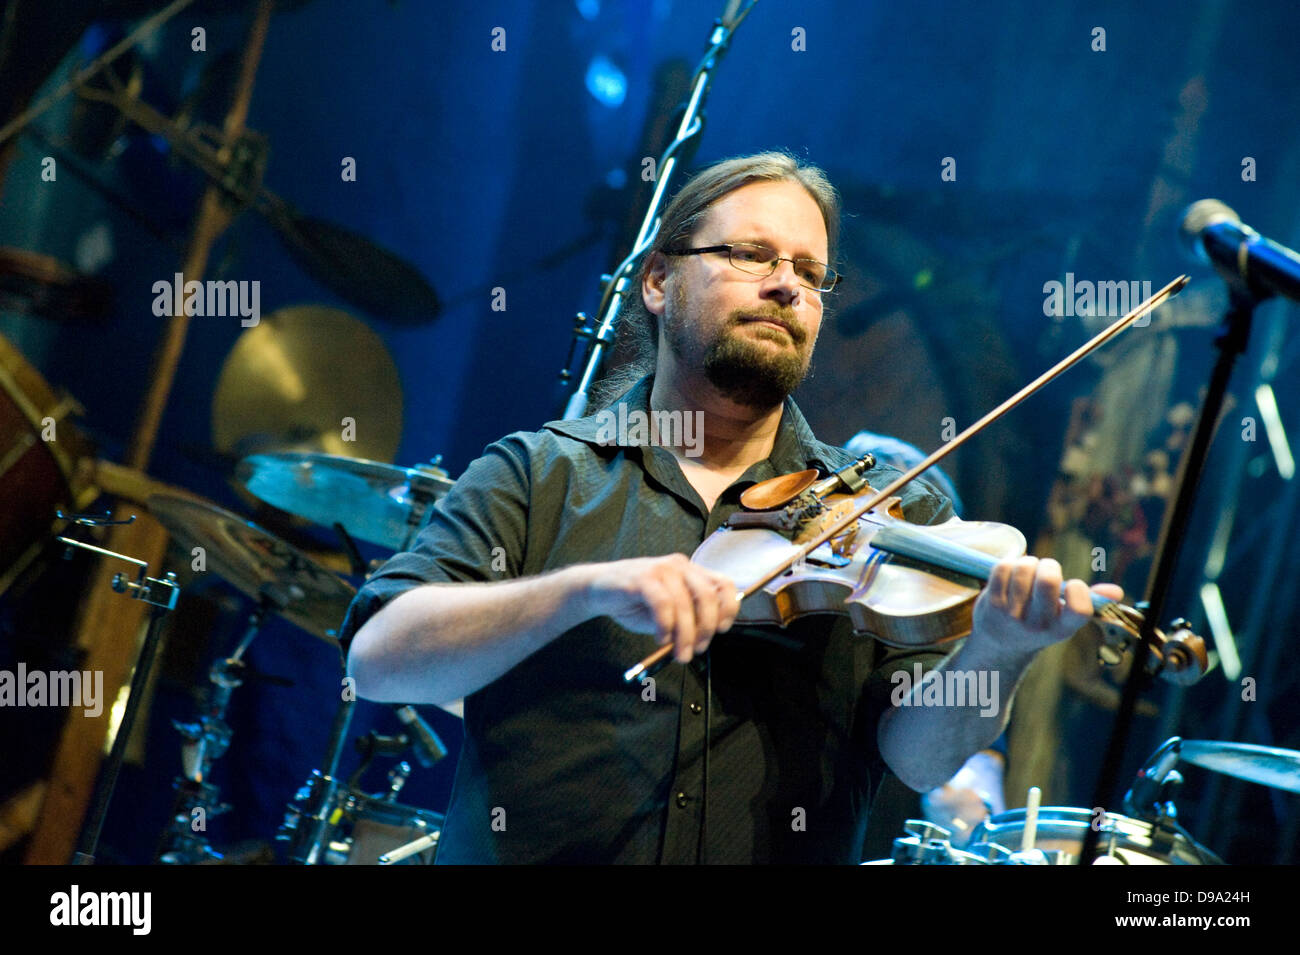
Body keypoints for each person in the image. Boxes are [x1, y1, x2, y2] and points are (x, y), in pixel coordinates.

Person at [341, 151, 1121, 864]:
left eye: (811, 272)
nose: (787, 284)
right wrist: (583, 590)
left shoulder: (888, 512)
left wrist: (999, 649)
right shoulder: (540, 473)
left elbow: (919, 757)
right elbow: (378, 659)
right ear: (657, 281)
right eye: (750, 255)